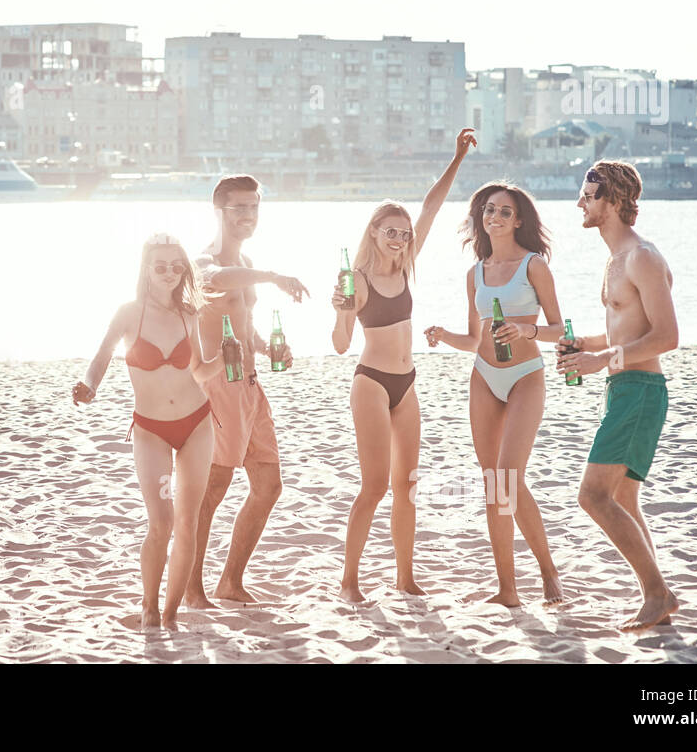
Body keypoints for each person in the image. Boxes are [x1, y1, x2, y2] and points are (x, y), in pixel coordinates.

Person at [331, 128, 477, 603]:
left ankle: (404, 576)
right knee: (373, 485)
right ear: (373, 232)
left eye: (403, 232)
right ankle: (350, 580)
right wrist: (341, 309)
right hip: (371, 383)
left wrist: (456, 158)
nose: (398, 238)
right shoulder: (356, 277)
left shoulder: (407, 262)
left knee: (407, 486)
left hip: (407, 385)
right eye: (389, 231)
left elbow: (431, 206)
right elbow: (339, 345)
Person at [72, 233, 224, 630]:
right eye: (161, 265)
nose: (170, 272)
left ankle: (170, 614)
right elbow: (103, 354)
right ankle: (149, 606)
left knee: (188, 522)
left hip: (197, 423)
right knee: (161, 522)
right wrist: (89, 386)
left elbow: (200, 372)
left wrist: (226, 359)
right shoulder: (128, 313)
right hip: (151, 429)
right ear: (146, 269)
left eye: (177, 266)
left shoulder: (189, 313)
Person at [424, 181, 566, 606]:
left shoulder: (534, 266)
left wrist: (528, 330)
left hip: (525, 375)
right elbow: (474, 338)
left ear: (518, 220)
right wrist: (443, 334)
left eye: (505, 211)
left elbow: (559, 329)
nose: (495, 217)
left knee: (509, 476)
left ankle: (547, 570)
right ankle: (507, 589)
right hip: (484, 375)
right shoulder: (475, 273)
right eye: (489, 210)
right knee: (493, 484)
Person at [556, 161, 679, 631]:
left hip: (640, 390)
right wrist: (585, 346)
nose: (580, 203)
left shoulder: (642, 257)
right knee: (624, 499)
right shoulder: (615, 259)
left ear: (613, 202)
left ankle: (657, 594)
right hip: (623, 387)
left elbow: (667, 336)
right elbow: (625, 328)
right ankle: (658, 596)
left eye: (588, 196)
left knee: (592, 496)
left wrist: (600, 360)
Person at [185, 175, 310, 607]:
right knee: (213, 489)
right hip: (220, 388)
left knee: (269, 485)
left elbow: (244, 324)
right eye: (238, 208)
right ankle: (191, 586)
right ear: (218, 210)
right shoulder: (202, 260)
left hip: (252, 386)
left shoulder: (248, 259)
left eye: (254, 207)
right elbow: (218, 279)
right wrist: (275, 276)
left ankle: (230, 582)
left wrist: (263, 345)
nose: (248, 215)